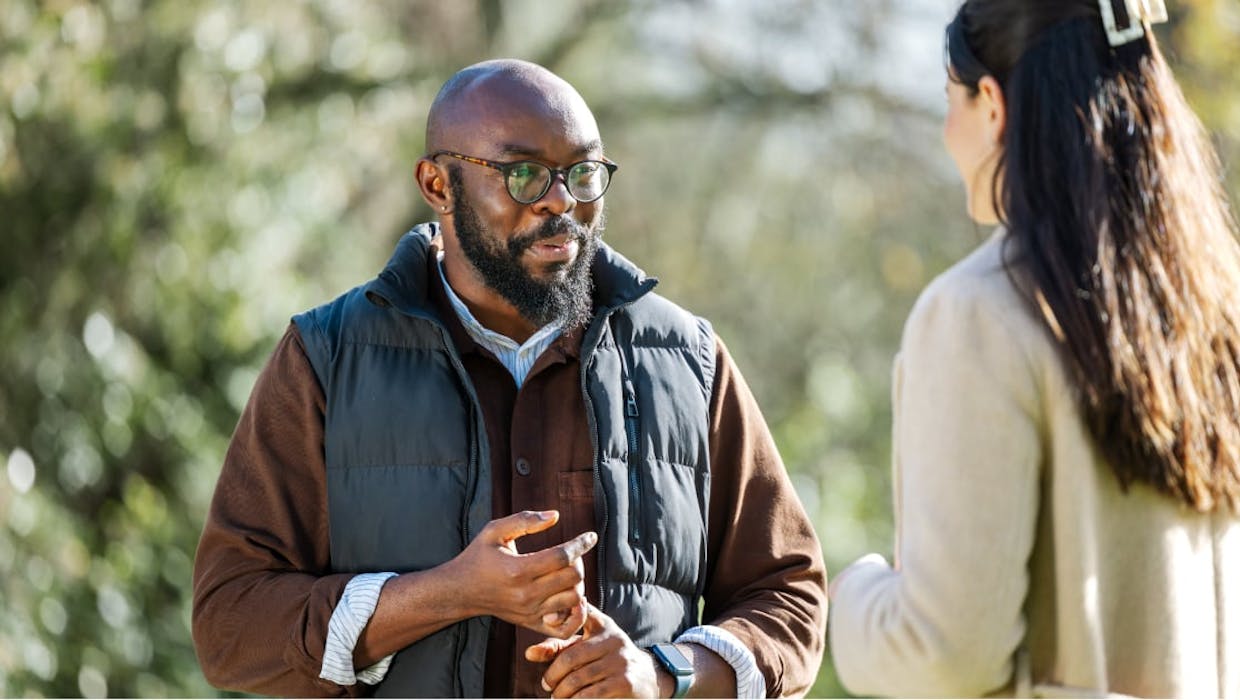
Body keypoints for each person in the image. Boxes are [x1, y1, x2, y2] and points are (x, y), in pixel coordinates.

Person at [191, 59, 827, 698]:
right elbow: (230, 623)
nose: (561, 200)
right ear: (438, 185)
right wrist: (447, 595)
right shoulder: (324, 358)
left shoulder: (687, 359)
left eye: (582, 172)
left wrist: (666, 675)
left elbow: (791, 596)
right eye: (523, 173)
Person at [828, 0, 1240, 697]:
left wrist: (857, 599)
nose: (946, 130)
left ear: (992, 105)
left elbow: (946, 654)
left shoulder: (978, 315)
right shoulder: (1210, 310)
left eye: (950, 99)